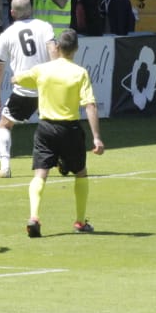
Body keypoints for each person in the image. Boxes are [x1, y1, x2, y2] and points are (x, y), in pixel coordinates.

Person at [12, 28, 104, 237]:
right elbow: (90, 105)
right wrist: (96, 137)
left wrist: (15, 76)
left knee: (40, 174)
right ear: (76, 49)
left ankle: (34, 216)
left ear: (56, 47)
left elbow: (17, 80)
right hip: (70, 128)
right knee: (80, 173)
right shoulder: (79, 72)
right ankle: (80, 221)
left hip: (45, 128)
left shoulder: (42, 70)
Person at [0, 0, 56, 178]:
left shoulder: (6, 35)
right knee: (56, 124)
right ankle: (62, 159)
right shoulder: (45, 26)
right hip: (47, 87)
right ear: (31, 9)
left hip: (24, 89)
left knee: (4, 124)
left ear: (12, 12)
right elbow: (53, 52)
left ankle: (5, 168)